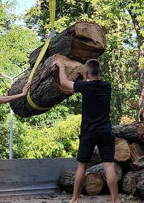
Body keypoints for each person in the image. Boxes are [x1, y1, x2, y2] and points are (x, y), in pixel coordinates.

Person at [52, 59, 120, 203]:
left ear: (87, 73)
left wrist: (62, 67)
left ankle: (75, 199)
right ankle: (116, 200)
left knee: (82, 165)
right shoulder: (107, 86)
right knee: (109, 165)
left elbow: (64, 83)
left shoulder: (85, 87)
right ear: (99, 72)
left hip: (89, 132)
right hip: (105, 130)